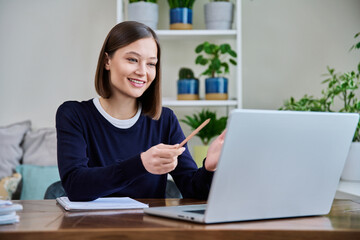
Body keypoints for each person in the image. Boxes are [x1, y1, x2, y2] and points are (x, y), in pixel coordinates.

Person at [56, 21, 226, 201]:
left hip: (148, 228)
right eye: (132, 60)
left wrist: (209, 167)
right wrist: (141, 164)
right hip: (89, 227)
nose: (142, 72)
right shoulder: (74, 114)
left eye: (151, 64)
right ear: (107, 61)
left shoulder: (164, 119)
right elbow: (75, 186)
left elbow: (193, 191)